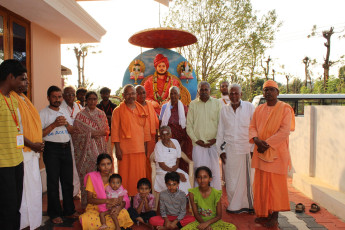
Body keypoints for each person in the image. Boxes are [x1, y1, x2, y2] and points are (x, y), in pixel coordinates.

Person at [249, 80, 295, 228]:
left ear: (277, 92)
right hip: (261, 152)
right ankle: (264, 214)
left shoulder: (285, 109)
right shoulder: (259, 109)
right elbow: (252, 126)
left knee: (275, 188)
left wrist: (266, 144)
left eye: (271, 90)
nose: (268, 92)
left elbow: (284, 131)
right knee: (262, 185)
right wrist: (256, 140)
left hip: (277, 155)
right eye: (265, 90)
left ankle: (274, 217)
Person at [10, 72, 44, 230]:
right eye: (23, 79)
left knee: (34, 190)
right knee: (24, 192)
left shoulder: (23, 99)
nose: (27, 82)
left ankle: (33, 223)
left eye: (27, 79)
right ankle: (24, 224)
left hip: (32, 152)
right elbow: (16, 130)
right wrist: (33, 144)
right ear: (11, 79)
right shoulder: (10, 100)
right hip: (22, 152)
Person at [40, 85, 77, 224]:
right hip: (51, 150)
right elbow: (39, 134)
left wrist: (66, 123)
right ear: (48, 98)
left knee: (68, 181)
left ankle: (69, 210)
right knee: (53, 183)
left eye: (59, 97)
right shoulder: (43, 113)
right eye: (54, 97)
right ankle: (54, 213)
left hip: (66, 148)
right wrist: (54, 125)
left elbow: (72, 130)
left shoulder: (64, 111)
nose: (57, 99)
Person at [216, 83, 255, 214]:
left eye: (236, 93)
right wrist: (220, 151)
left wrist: (253, 148)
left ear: (241, 94)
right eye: (231, 93)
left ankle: (247, 205)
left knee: (246, 181)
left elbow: (255, 129)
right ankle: (233, 206)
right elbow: (220, 131)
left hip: (245, 149)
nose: (233, 95)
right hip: (229, 150)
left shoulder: (249, 107)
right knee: (231, 181)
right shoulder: (224, 110)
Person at [0, 59, 28, 230]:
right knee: (6, 209)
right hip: (2, 165)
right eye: (21, 78)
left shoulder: (13, 99)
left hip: (17, 161)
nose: (23, 83)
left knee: (14, 207)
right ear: (11, 77)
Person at [72, 91, 109, 208]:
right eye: (90, 99)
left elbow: (106, 131)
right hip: (86, 154)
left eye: (94, 99)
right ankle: (87, 205)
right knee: (89, 178)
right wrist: (91, 134)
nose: (92, 101)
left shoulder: (101, 114)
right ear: (86, 101)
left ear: (97, 100)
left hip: (101, 150)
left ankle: (101, 205)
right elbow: (76, 135)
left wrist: (98, 133)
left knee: (101, 177)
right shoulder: (80, 116)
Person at [111, 84, 150, 196]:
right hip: (125, 150)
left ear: (136, 95)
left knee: (139, 177)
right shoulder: (117, 111)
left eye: (133, 93)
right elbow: (115, 131)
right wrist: (117, 149)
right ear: (123, 96)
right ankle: (126, 200)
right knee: (125, 177)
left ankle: (139, 200)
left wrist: (146, 149)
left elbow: (146, 132)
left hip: (139, 149)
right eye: (128, 94)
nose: (131, 96)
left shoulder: (141, 110)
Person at [80, 153, 133, 230]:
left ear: (112, 164)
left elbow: (124, 198)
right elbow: (89, 199)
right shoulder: (92, 178)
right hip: (95, 208)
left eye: (108, 164)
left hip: (113, 208)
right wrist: (107, 201)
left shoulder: (114, 179)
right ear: (98, 166)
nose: (106, 167)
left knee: (124, 214)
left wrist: (118, 208)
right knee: (87, 219)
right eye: (103, 164)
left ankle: (106, 226)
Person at [186, 81, 222, 190]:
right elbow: (189, 126)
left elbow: (221, 123)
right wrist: (196, 140)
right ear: (198, 91)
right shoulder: (193, 104)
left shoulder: (217, 103)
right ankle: (200, 199)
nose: (204, 92)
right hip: (198, 146)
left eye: (206, 89)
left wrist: (216, 139)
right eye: (201, 89)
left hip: (213, 145)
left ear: (210, 91)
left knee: (214, 172)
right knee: (199, 173)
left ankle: (216, 198)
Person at [159, 86, 193, 173]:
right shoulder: (164, 107)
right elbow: (161, 124)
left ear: (179, 95)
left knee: (182, 165)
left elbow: (188, 126)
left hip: (182, 142)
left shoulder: (184, 108)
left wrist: (179, 145)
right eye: (171, 93)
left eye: (175, 93)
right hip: (168, 141)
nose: (173, 95)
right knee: (169, 164)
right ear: (169, 95)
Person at [154, 126, 191, 195]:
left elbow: (178, 158)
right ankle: (173, 202)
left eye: (167, 134)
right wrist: (175, 173)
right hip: (162, 171)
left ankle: (182, 199)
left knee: (185, 176)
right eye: (163, 134)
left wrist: (176, 167)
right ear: (160, 135)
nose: (165, 137)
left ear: (171, 134)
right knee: (173, 181)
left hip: (174, 168)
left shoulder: (175, 142)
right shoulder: (158, 145)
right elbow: (162, 165)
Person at [61, 86, 82, 198]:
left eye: (73, 94)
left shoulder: (79, 106)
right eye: (68, 94)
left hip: (77, 142)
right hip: (65, 141)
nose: (70, 96)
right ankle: (67, 193)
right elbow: (67, 126)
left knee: (76, 167)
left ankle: (75, 192)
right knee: (68, 168)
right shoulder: (60, 107)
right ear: (63, 95)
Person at [135, 85, 159, 181]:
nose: (142, 95)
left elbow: (155, 122)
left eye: (143, 92)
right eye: (139, 93)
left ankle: (150, 185)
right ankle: (141, 184)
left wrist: (156, 138)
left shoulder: (149, 105)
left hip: (151, 139)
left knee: (151, 161)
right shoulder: (134, 106)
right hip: (139, 140)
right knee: (141, 162)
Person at [96, 87, 117, 158]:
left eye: (107, 94)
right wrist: (107, 117)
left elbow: (116, 119)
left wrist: (107, 118)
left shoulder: (114, 106)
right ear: (101, 95)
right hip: (99, 134)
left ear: (109, 94)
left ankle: (110, 169)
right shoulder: (97, 106)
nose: (105, 95)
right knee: (99, 154)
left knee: (109, 154)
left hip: (111, 133)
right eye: (103, 94)